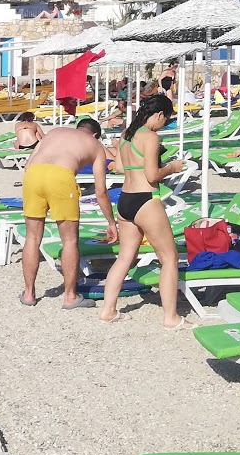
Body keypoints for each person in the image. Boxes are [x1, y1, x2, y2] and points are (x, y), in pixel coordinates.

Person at [98, 96, 190, 330]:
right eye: (166, 120)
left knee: (124, 257)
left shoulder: (127, 134)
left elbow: (118, 167)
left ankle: (108, 310)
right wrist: (172, 167)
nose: (164, 125)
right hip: (146, 199)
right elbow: (152, 175)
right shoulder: (151, 137)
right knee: (169, 258)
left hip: (126, 199)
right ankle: (171, 317)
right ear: (159, 115)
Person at [19, 118, 117, 310]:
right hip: (61, 177)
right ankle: (70, 296)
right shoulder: (95, 146)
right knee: (70, 240)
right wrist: (111, 222)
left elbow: (28, 164)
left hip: (33, 175)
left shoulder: (55, 132)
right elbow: (101, 192)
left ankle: (29, 294)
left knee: (32, 237)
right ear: (95, 134)